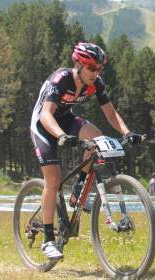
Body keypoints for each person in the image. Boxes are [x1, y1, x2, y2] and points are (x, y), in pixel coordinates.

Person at [30, 42, 142, 261]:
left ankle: (77, 192)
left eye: (99, 69)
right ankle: (48, 241)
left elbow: (110, 113)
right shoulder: (60, 79)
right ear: (78, 64)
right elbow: (46, 114)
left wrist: (127, 132)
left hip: (66, 120)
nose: (96, 73)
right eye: (91, 68)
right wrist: (61, 135)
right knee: (53, 180)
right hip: (43, 124)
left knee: (98, 139)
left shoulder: (96, 84)